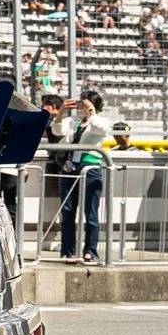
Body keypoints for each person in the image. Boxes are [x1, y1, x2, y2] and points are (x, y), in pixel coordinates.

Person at [54, 96, 108, 264]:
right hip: (70, 166)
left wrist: (91, 111)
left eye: (83, 104)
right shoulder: (73, 120)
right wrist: (62, 110)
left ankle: (90, 251)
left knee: (91, 211)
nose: (80, 107)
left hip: (90, 166)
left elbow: (101, 129)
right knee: (68, 211)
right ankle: (68, 251)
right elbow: (57, 130)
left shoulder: (99, 120)